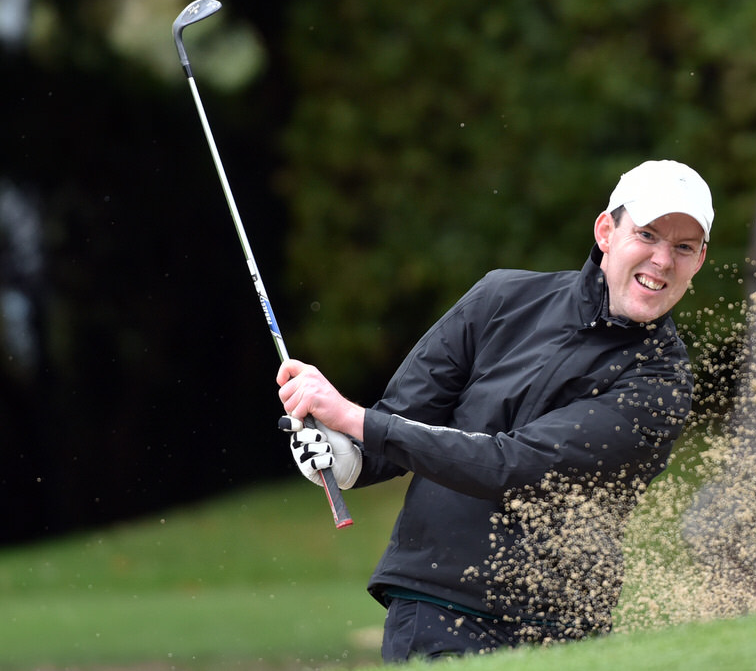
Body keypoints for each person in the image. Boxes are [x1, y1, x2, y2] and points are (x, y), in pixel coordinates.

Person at [277, 159, 713, 662]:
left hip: (560, 629)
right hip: (437, 604)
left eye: (683, 247)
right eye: (648, 235)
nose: (662, 259)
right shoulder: (501, 297)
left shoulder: (661, 381)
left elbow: (517, 466)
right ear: (606, 232)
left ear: (698, 260)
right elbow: (393, 431)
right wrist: (337, 452)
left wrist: (356, 420)